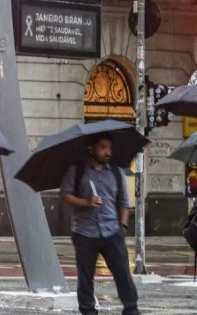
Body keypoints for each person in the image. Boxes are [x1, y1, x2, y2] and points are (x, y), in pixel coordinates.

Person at [59, 134, 138, 315]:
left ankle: (131, 308)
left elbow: (124, 203)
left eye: (109, 148)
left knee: (123, 273)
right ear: (91, 148)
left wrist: (122, 228)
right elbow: (65, 195)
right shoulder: (77, 170)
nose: (107, 152)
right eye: (103, 147)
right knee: (86, 277)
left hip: (112, 232)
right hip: (85, 233)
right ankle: (87, 310)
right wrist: (86, 202)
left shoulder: (116, 172)